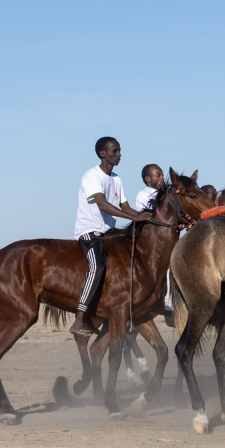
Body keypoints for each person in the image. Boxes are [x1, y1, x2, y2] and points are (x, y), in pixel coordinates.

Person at [71, 137, 152, 337]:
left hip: (109, 234)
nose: (119, 155)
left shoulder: (116, 179)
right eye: (115, 151)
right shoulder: (92, 176)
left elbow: (125, 206)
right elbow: (103, 205)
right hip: (90, 232)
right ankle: (79, 318)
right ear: (102, 153)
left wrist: (144, 218)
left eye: (119, 151)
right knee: (96, 267)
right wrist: (134, 217)